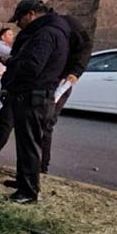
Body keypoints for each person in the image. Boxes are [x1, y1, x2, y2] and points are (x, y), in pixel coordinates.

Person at [0, 0, 70, 203]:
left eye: (20, 19)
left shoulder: (45, 34)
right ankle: (24, 181)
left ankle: (28, 192)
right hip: (36, 95)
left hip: (34, 96)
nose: (18, 25)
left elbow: (32, 66)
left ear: (30, 14)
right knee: (26, 143)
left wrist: (13, 63)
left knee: (29, 145)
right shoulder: (55, 30)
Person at [40, 15, 92, 173]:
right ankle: (33, 166)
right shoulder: (41, 28)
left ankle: (41, 166)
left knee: (45, 123)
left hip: (59, 82)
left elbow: (85, 46)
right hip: (44, 80)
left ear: (32, 13)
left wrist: (76, 71)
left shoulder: (69, 24)